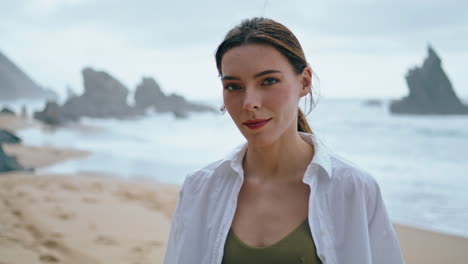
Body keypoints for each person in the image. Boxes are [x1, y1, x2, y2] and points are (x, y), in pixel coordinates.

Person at [164, 17, 404, 264]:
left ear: (305, 81)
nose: (250, 103)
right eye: (234, 86)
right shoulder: (199, 189)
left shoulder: (353, 189)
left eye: (268, 81)